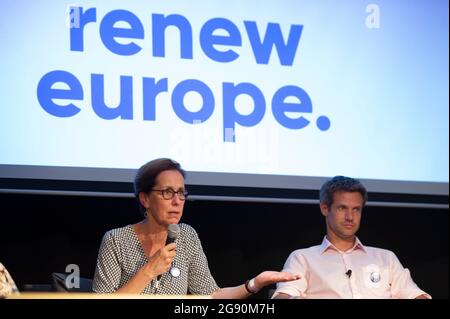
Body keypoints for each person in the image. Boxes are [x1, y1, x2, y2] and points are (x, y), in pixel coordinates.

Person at [93, 158, 299, 297]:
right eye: (167, 192)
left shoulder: (187, 236)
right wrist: (147, 271)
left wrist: (253, 284)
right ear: (145, 198)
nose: (177, 201)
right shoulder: (116, 240)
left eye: (181, 193)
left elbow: (210, 295)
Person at [272, 176, 431, 299]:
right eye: (342, 208)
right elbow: (285, 294)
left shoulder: (386, 258)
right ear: (325, 208)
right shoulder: (303, 258)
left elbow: (414, 294)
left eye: (356, 209)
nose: (350, 217)